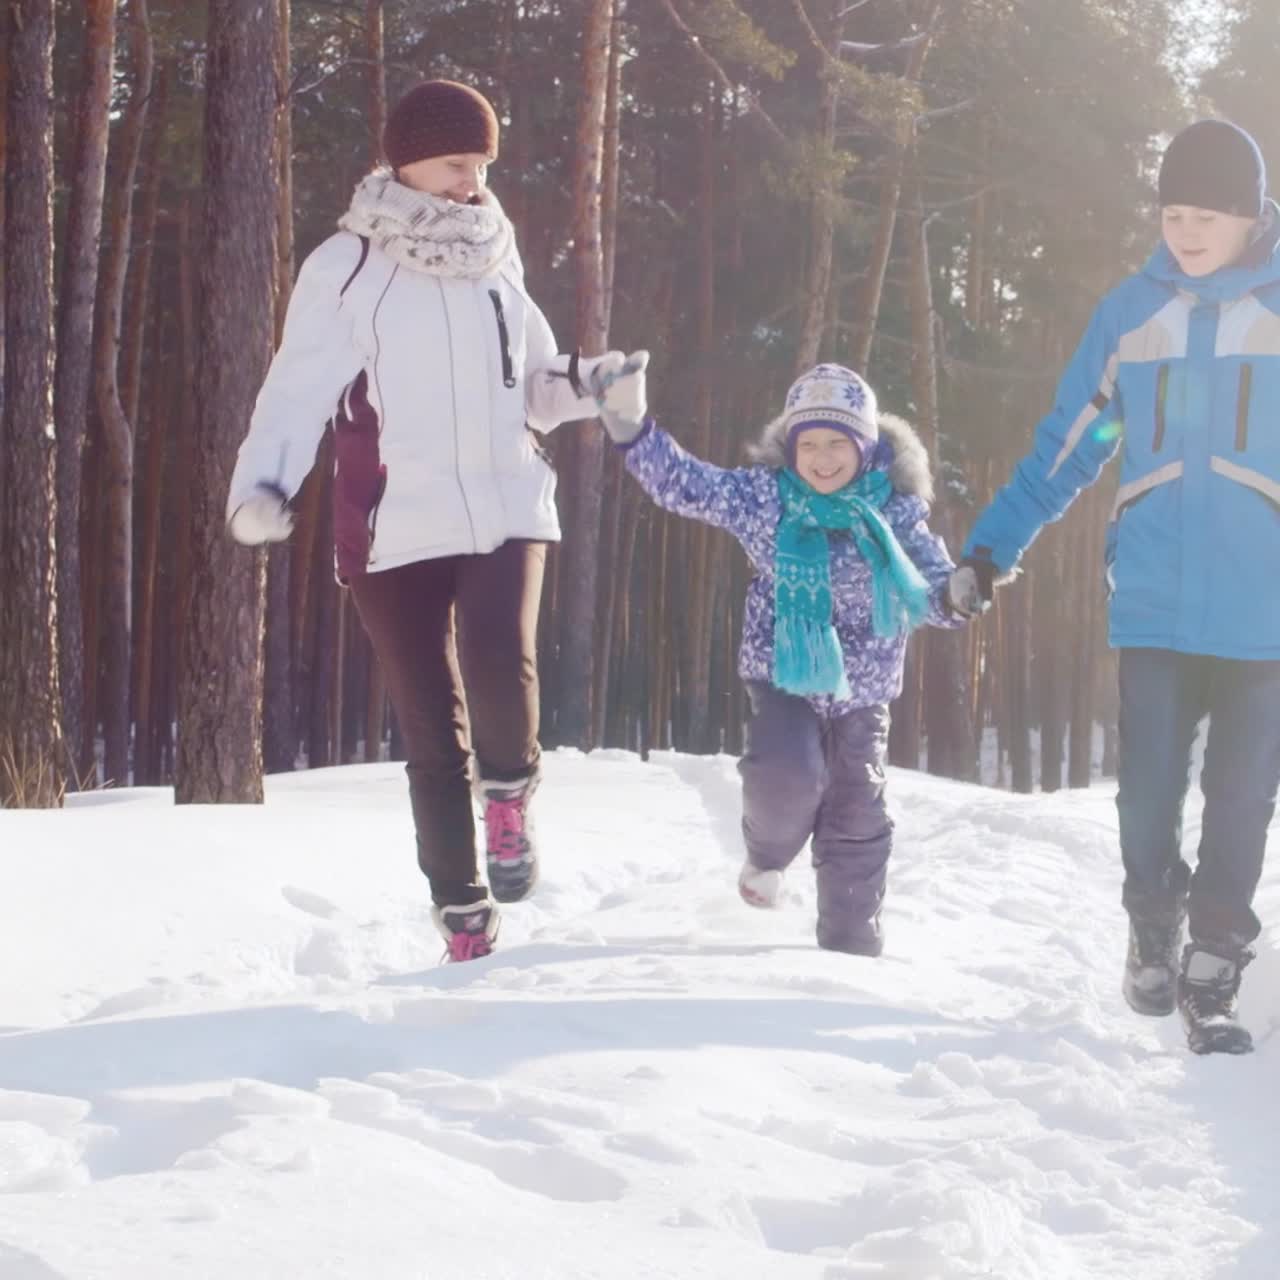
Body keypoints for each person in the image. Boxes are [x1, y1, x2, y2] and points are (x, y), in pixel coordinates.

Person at [226, 80, 619, 962]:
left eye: (480, 165)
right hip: (392, 525)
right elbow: (295, 391)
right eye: (454, 164)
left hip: (506, 502)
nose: (471, 182)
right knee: (431, 730)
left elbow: (536, 387)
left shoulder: (495, 255)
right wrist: (265, 485)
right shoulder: (346, 268)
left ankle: (509, 797)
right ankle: (462, 913)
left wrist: (592, 383)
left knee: (499, 659)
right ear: (405, 160)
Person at [948, 119, 1280, 1054]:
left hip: (1264, 612)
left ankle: (1214, 968)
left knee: (1243, 797)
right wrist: (988, 551)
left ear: (1251, 216)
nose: (1186, 232)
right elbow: (1071, 446)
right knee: (1146, 792)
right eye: (1173, 214)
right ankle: (1152, 921)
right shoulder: (1132, 317)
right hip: (1155, 604)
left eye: (1206, 215)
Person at [590, 357, 966, 956]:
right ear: (789, 448)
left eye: (837, 443)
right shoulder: (765, 497)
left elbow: (934, 591)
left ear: (866, 446)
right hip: (782, 674)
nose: (822, 458)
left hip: (865, 691)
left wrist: (960, 594)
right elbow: (686, 484)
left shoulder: (895, 510)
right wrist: (632, 426)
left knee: (857, 813)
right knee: (787, 774)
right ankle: (766, 858)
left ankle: (850, 945)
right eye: (807, 443)